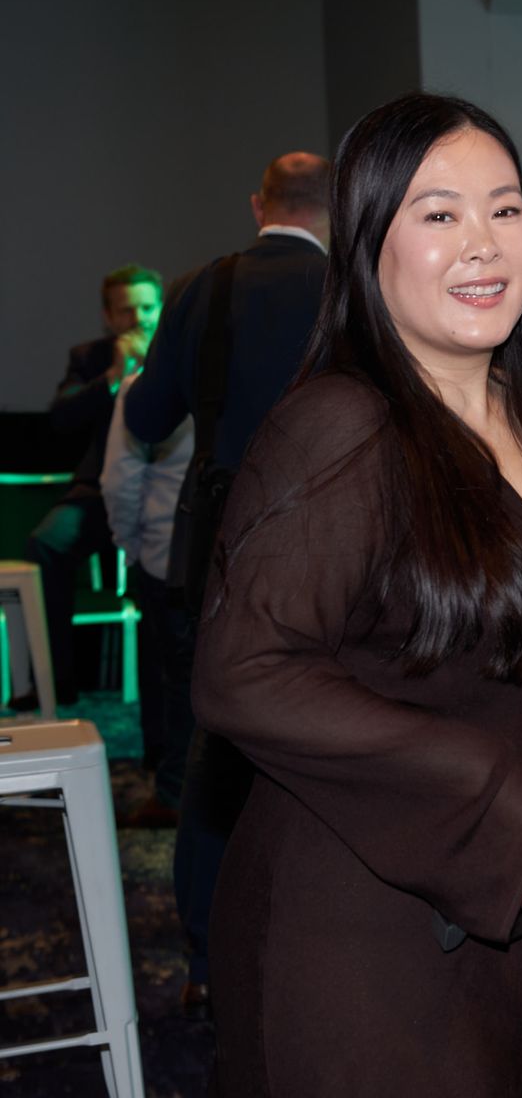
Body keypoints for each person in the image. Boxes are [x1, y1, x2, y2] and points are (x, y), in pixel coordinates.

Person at [191, 93, 522, 1096]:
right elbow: (244, 675)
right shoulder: (343, 426)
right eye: (438, 215)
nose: (483, 244)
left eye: (504, 208)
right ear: (369, 242)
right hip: (355, 928)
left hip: (507, 909)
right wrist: (492, 788)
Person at [123, 149, 332, 1016]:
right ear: (337, 212)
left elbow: (144, 421)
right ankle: (315, 952)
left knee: (216, 751)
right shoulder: (358, 289)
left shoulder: (201, 289)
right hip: (331, 544)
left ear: (259, 206)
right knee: (328, 748)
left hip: (222, 548)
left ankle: (208, 962)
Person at [20, 264, 163, 708]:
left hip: (164, 493)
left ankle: (161, 702)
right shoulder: (90, 357)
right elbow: (61, 418)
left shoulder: (180, 349)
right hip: (99, 492)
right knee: (47, 544)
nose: (139, 319)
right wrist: (113, 376)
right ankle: (55, 684)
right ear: (108, 316)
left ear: (161, 307)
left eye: (147, 307)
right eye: (127, 310)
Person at [99, 380, 192, 827]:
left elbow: (120, 480)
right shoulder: (264, 369)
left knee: (175, 678)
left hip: (167, 552)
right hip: (243, 554)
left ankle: (172, 787)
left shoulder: (145, 389)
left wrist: (131, 546)